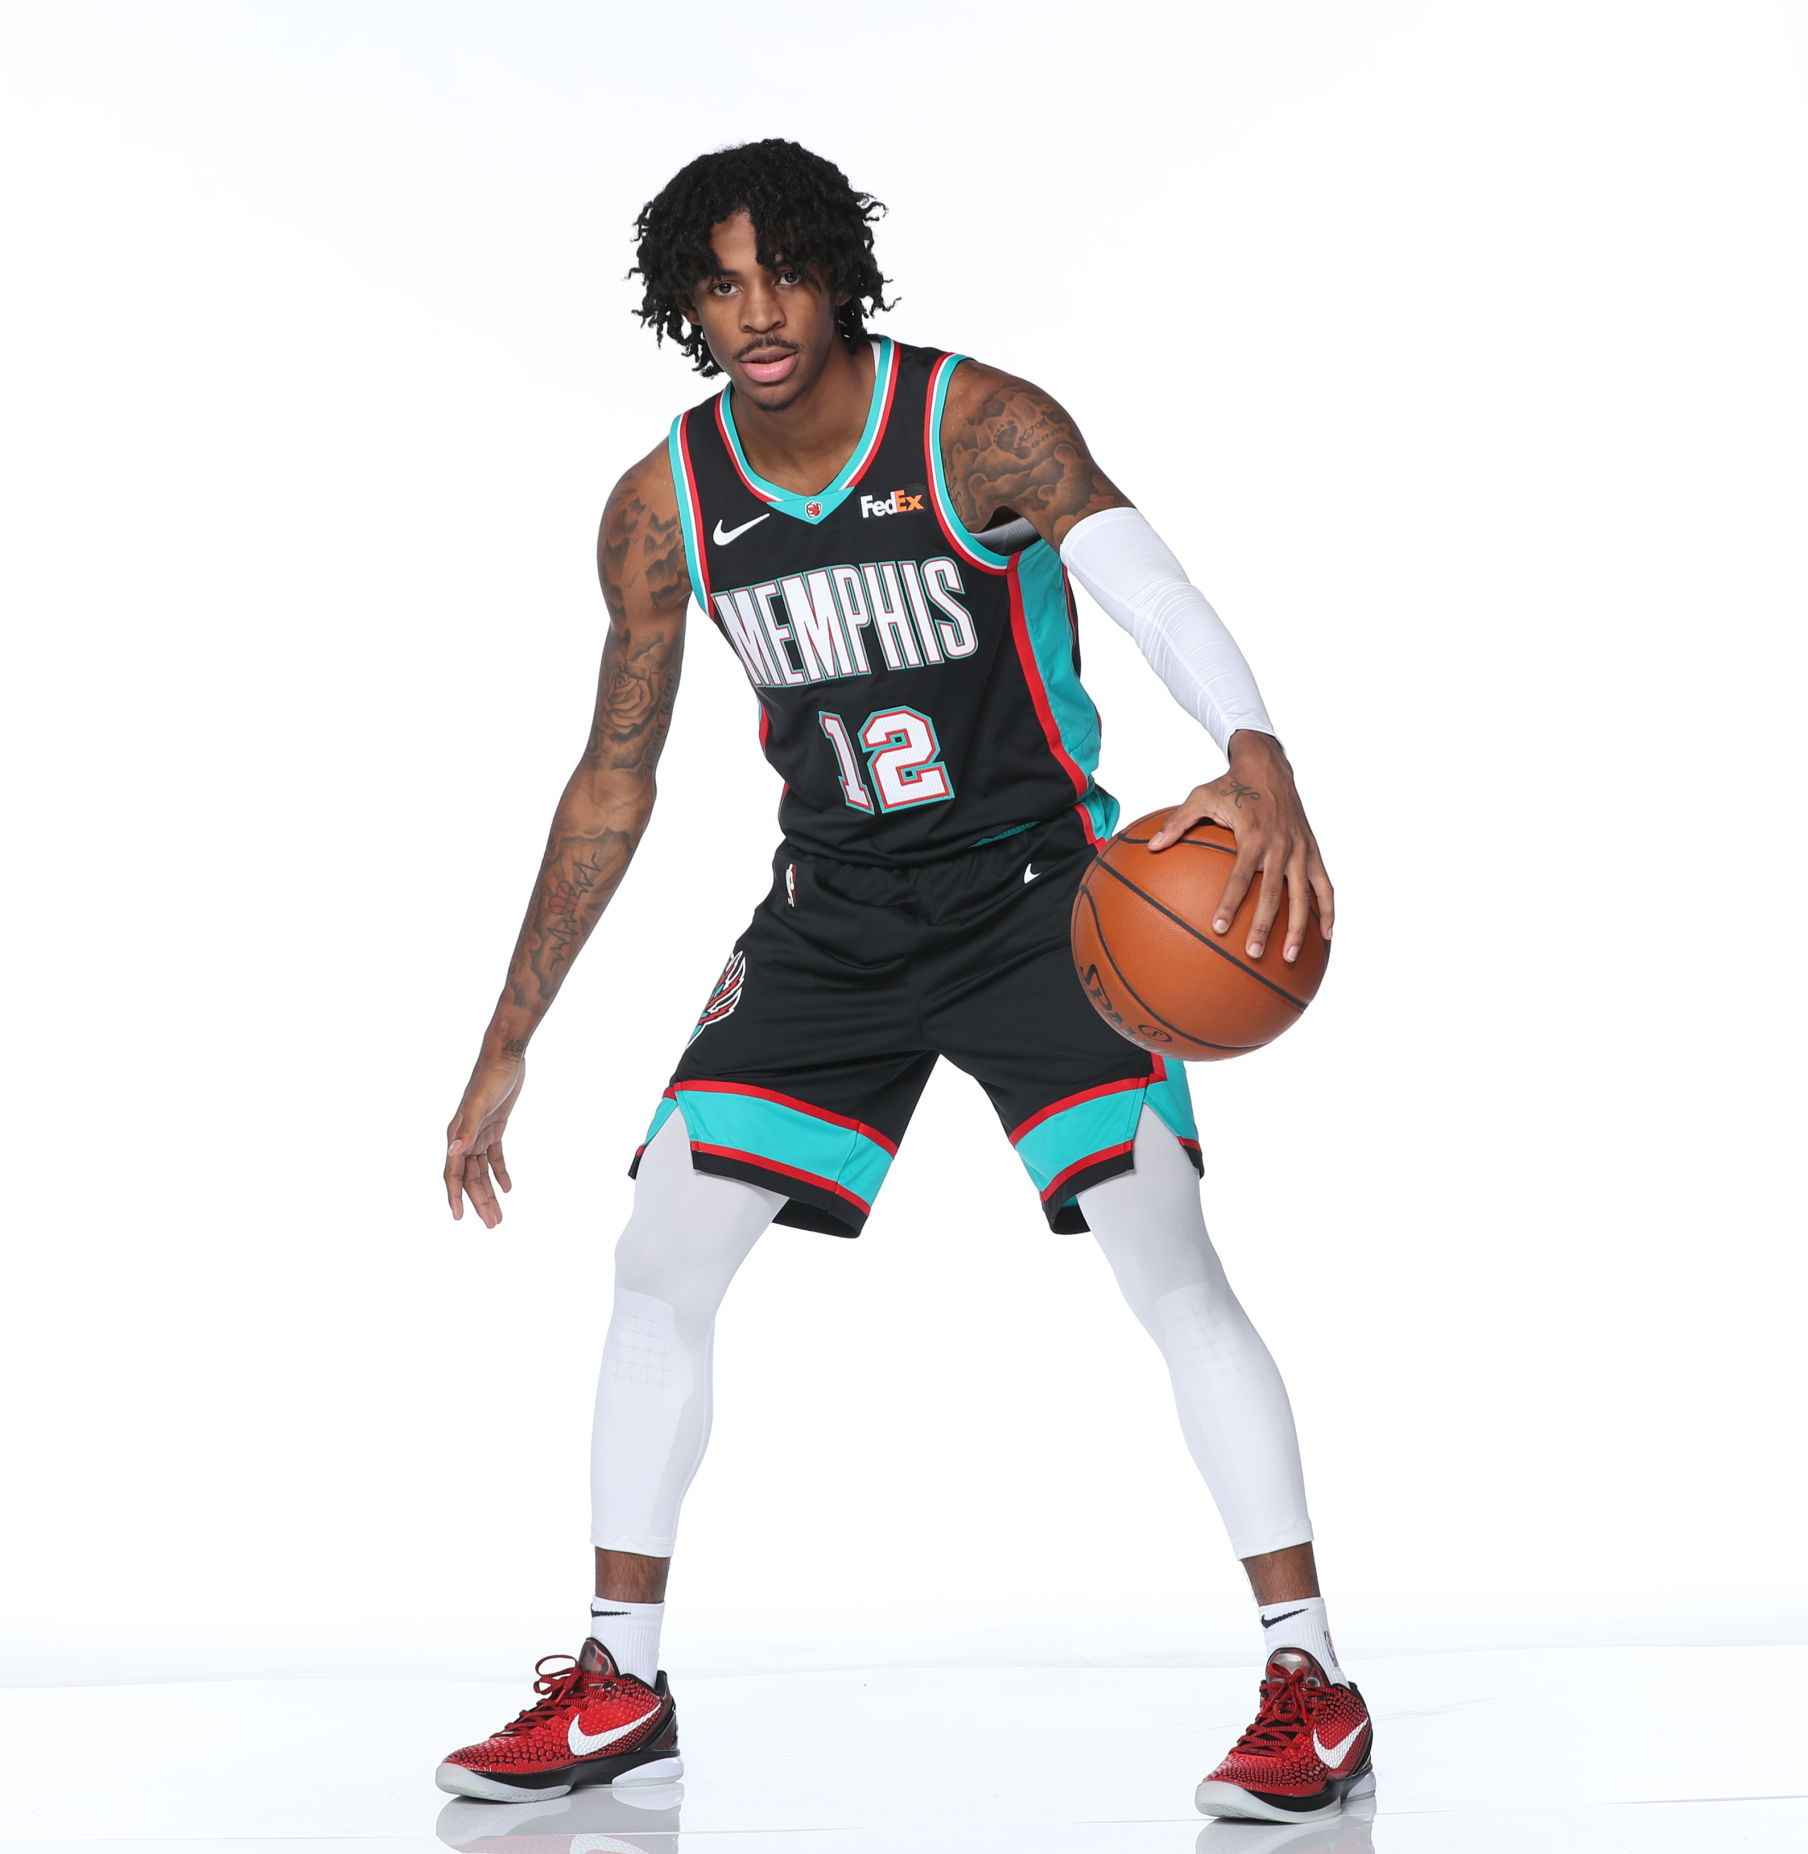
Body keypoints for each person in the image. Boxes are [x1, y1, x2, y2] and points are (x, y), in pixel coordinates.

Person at [433, 139, 1371, 1827]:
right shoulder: (665, 503)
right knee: (657, 1260)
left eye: (785, 270)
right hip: (834, 916)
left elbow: (1146, 584)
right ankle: (619, 1680)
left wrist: (1256, 746)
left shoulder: (972, 425)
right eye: (721, 283)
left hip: (1045, 905)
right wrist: (510, 1041)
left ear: (839, 273)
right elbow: (614, 777)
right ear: (684, 304)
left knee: (1169, 1265)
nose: (758, 311)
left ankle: (1311, 1679)